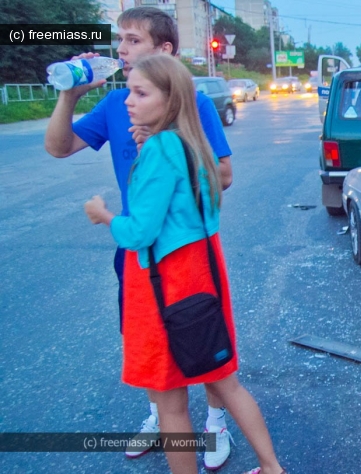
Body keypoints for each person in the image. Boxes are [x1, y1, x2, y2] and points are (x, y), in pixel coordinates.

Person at [44, 7, 234, 468]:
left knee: (199, 338)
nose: (121, 51)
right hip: (135, 252)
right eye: (120, 41)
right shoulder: (118, 102)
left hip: (182, 253)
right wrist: (69, 95)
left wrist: (163, 152)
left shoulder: (193, 103)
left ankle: (213, 424)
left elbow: (222, 175)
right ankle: (162, 417)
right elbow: (60, 147)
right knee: (147, 343)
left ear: (163, 51)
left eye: (132, 41)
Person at [83, 54, 285, 474]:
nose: (127, 101)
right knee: (224, 382)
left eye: (140, 92)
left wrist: (104, 215)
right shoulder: (191, 143)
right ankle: (271, 468)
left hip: (163, 285)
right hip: (203, 276)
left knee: (171, 402)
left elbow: (139, 232)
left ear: (169, 99)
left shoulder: (159, 149)